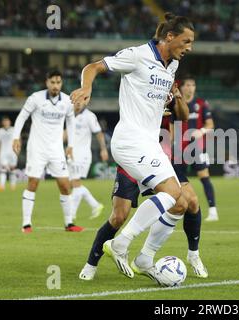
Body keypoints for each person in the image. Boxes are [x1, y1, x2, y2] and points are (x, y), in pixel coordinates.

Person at [71, 12, 194, 284]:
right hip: (129, 140)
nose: (189, 48)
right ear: (170, 37)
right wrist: (86, 88)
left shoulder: (170, 66)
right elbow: (92, 67)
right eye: (186, 41)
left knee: (180, 203)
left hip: (150, 143)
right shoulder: (137, 55)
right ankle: (120, 243)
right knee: (167, 195)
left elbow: (178, 112)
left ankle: (145, 258)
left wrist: (172, 100)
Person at [79, 84, 208, 281]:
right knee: (119, 216)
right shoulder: (140, 86)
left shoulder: (166, 89)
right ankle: (91, 264)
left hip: (161, 159)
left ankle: (151, 257)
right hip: (135, 155)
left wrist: (178, 96)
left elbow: (182, 117)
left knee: (185, 202)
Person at [12, 70, 84, 233]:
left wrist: (71, 145)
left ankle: (69, 224)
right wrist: (16, 137)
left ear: (61, 83)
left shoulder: (67, 101)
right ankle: (26, 224)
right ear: (47, 83)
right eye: (53, 82)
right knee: (33, 183)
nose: (55, 86)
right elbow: (22, 116)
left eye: (58, 82)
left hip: (56, 150)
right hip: (37, 148)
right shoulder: (35, 98)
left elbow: (71, 122)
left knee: (65, 186)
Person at [174, 76, 218, 222]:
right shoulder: (176, 104)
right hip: (180, 148)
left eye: (193, 85)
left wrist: (202, 131)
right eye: (187, 85)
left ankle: (213, 211)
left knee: (204, 177)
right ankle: (179, 207)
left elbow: (210, 124)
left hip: (198, 147)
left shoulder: (201, 104)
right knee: (176, 179)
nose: (190, 87)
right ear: (181, 87)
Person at [68, 104, 108, 220]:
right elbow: (67, 133)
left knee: (76, 183)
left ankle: (71, 215)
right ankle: (96, 205)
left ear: (85, 100)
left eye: (80, 99)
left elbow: (99, 133)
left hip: (82, 155)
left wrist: (103, 149)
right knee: (73, 184)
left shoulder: (89, 116)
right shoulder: (70, 114)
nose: (78, 102)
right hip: (72, 154)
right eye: (76, 100)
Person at [0, 116, 18, 191]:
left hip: (12, 152)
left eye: (7, 121)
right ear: (2, 123)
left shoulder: (13, 129)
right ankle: (2, 186)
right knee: (3, 169)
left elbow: (18, 140)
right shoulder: (0, 130)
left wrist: (18, 150)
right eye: (4, 121)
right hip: (3, 153)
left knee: (12, 169)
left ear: (10, 122)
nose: (6, 122)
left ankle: (13, 185)